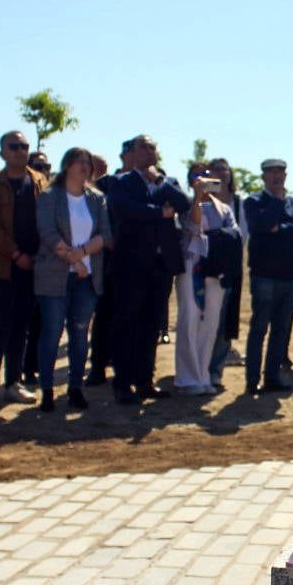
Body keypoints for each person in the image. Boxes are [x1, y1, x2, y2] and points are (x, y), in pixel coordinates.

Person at [101, 135, 189, 404]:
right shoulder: (120, 182)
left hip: (161, 266)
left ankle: (145, 381)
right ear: (132, 154)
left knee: (151, 325)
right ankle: (122, 383)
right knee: (126, 322)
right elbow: (125, 210)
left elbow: (184, 205)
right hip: (130, 264)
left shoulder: (167, 182)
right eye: (143, 147)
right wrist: (159, 213)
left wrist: (158, 181)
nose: (149, 152)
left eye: (153, 147)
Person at [0, 131, 47, 410]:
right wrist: (16, 254)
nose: (19, 151)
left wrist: (37, 256)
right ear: (2, 152)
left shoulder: (40, 182)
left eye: (24, 146)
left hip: (32, 268)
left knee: (21, 328)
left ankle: (13, 383)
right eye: (13, 147)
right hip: (0, 269)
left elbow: (48, 222)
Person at [34, 147, 112, 411]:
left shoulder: (97, 198)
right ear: (66, 165)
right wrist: (74, 259)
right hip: (54, 277)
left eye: (87, 162)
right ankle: (46, 390)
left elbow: (105, 235)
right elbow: (47, 232)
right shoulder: (49, 197)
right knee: (51, 334)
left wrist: (83, 254)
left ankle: (75, 387)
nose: (84, 166)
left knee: (80, 336)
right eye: (79, 161)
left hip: (86, 280)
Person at [243, 158, 293, 393]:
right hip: (265, 275)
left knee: (282, 329)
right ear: (263, 176)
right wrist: (276, 203)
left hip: (292, 276)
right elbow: (260, 225)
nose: (276, 176)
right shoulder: (254, 201)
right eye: (271, 173)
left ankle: (272, 377)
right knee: (259, 328)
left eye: (280, 172)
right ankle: (253, 380)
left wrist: (280, 229)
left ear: (286, 175)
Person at [174, 169, 241, 395]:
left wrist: (211, 238)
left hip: (216, 269)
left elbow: (234, 233)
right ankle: (186, 378)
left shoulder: (224, 208)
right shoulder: (185, 203)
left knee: (210, 324)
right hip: (191, 267)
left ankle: (203, 376)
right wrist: (197, 199)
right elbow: (192, 228)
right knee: (189, 320)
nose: (203, 180)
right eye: (197, 176)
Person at [88, 138, 140, 387]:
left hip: (142, 261)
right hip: (109, 260)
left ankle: (130, 371)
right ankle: (98, 367)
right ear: (124, 156)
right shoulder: (104, 185)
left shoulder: (152, 183)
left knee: (134, 318)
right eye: (135, 152)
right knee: (106, 314)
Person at [207, 157, 246, 387]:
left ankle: (216, 370)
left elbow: (242, 235)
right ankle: (200, 368)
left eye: (225, 169)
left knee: (225, 322)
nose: (222, 173)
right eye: (216, 170)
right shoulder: (202, 200)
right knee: (206, 320)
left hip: (231, 268)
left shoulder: (239, 202)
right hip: (206, 268)